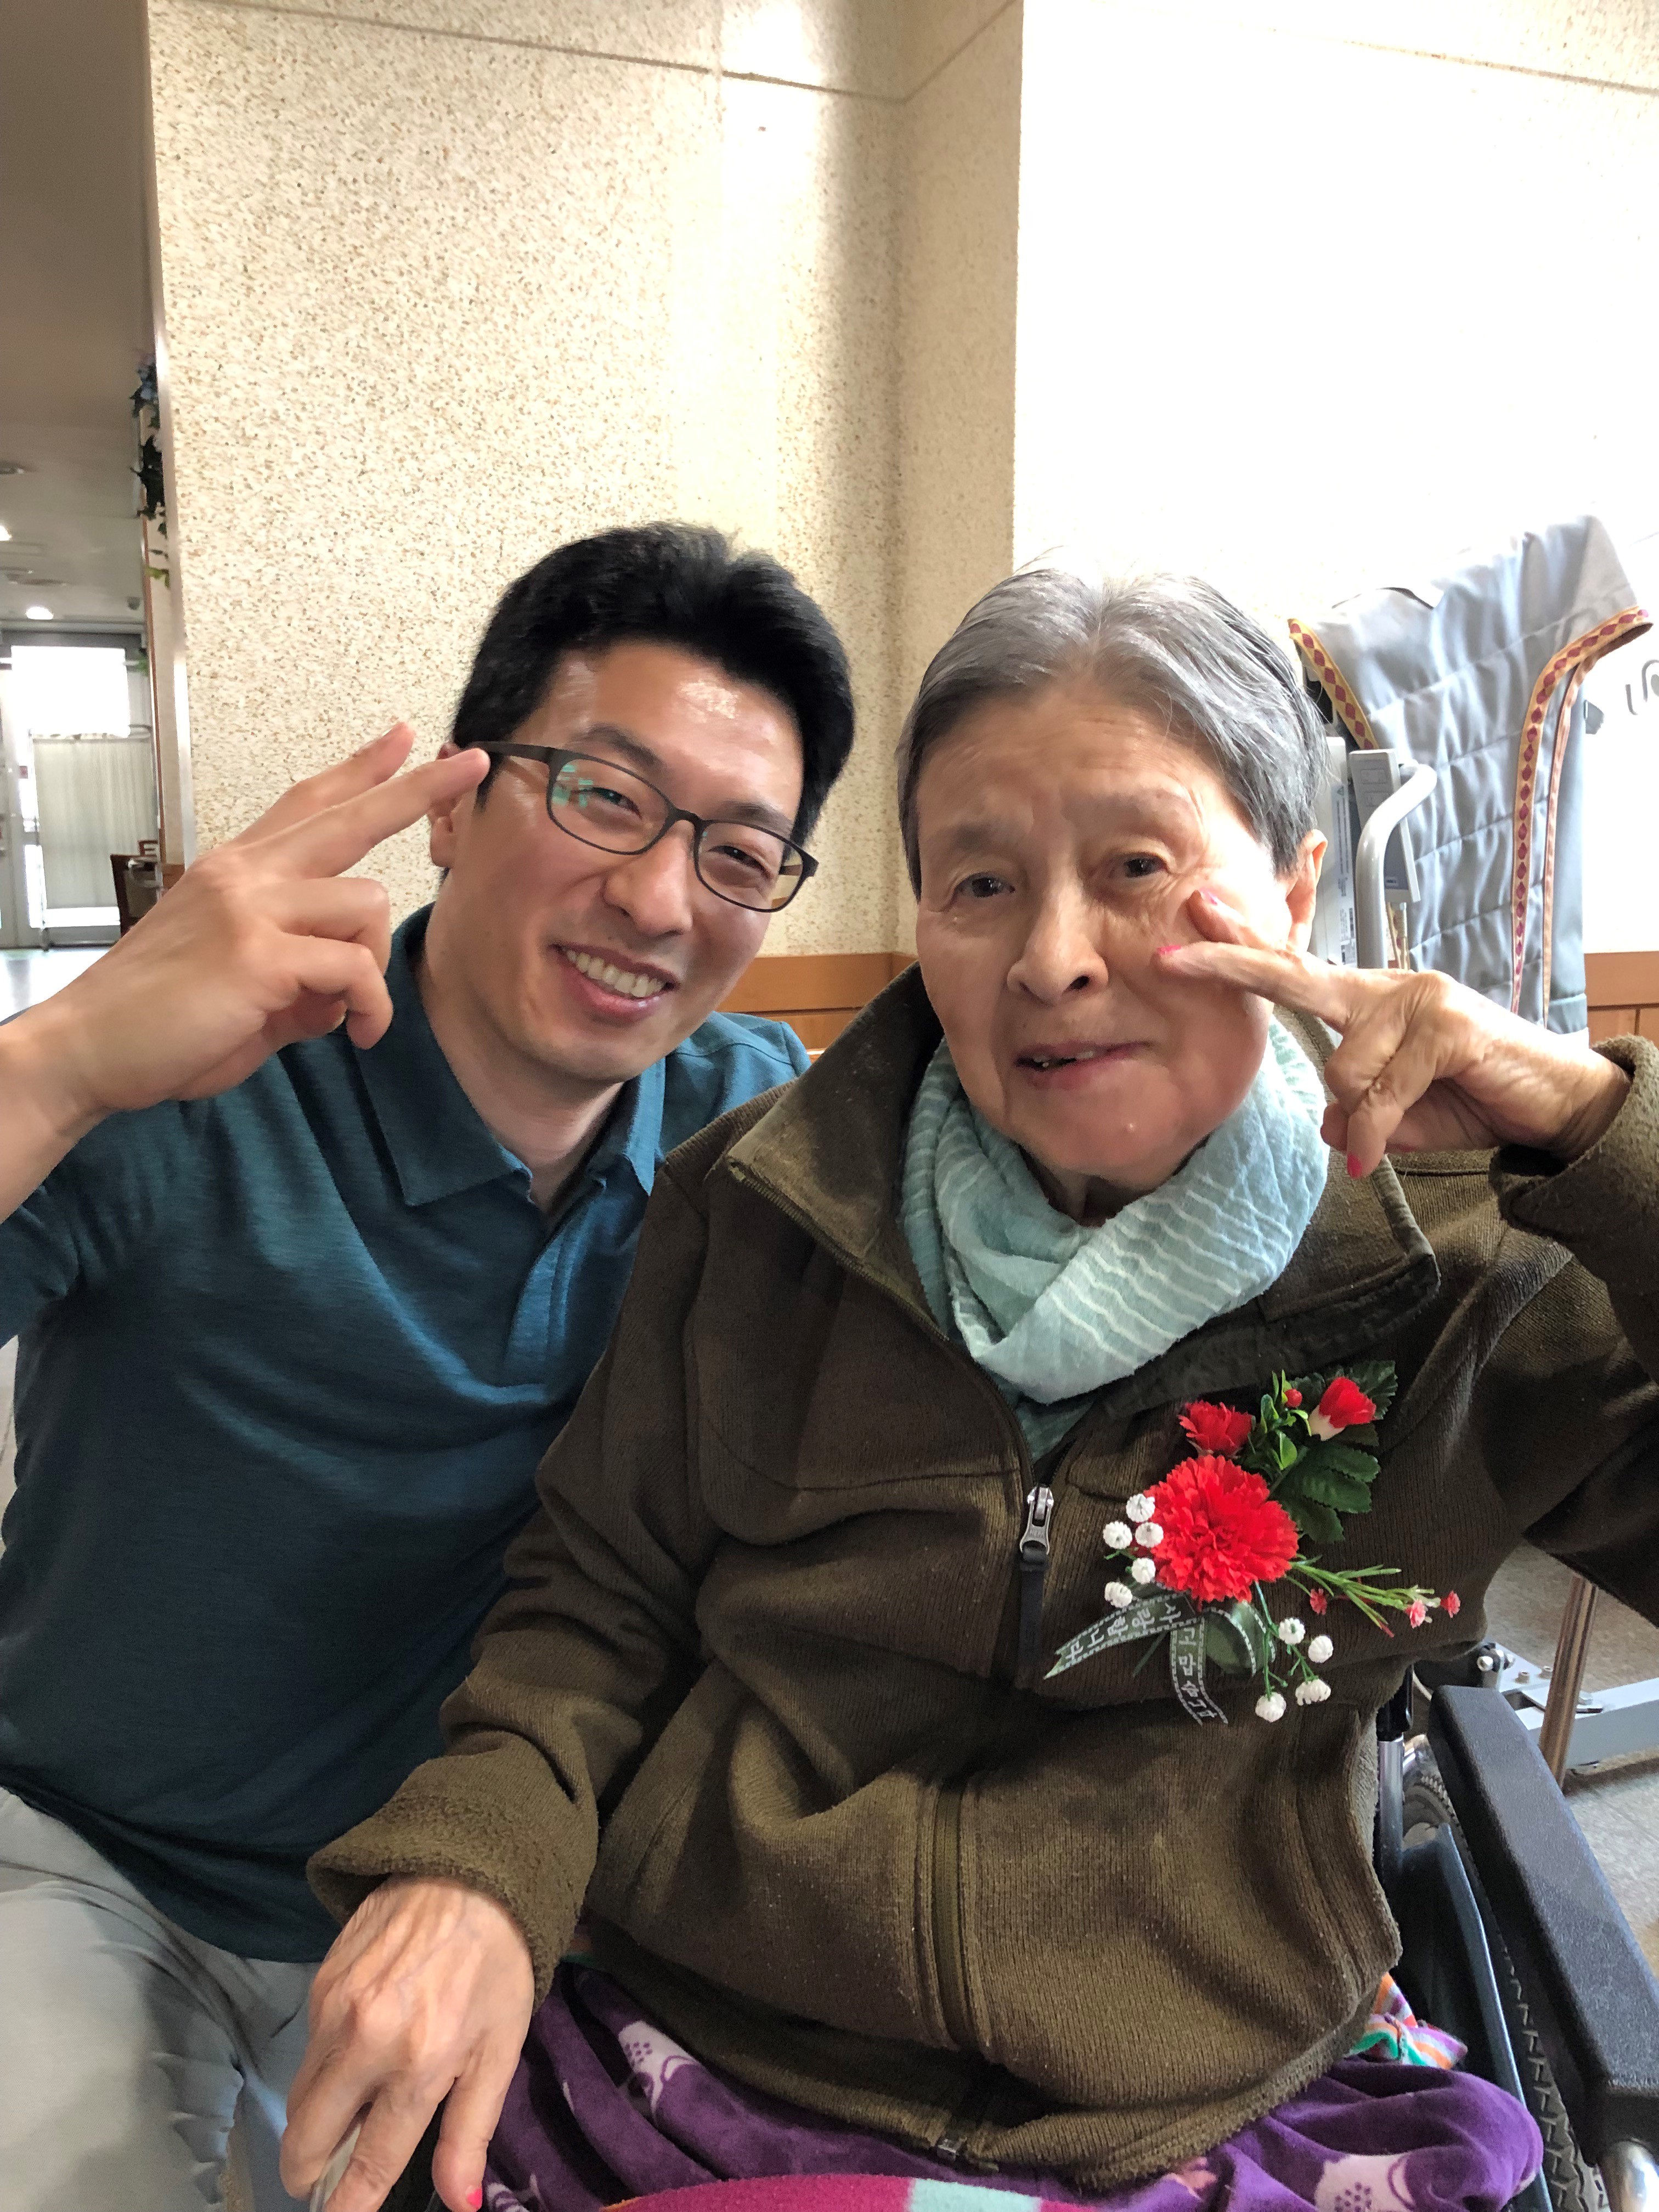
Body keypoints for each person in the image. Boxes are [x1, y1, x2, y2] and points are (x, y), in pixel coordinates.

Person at [286, 570, 1658, 2212]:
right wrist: (478, 1860)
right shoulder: (764, 1204)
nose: (1054, 960)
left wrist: (1602, 1138)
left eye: (1137, 869)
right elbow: (600, 1594)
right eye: (981, 885)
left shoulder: (1471, 1270)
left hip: (1202, 2090)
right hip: (706, 2041)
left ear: (1295, 891)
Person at [0, 522, 854, 2212]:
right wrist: (65, 1058)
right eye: (603, 796)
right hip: (95, 1865)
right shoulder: (204, 1078)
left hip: (468, 1889)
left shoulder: (753, 1128)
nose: (658, 901)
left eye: (741, 854)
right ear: (455, 808)